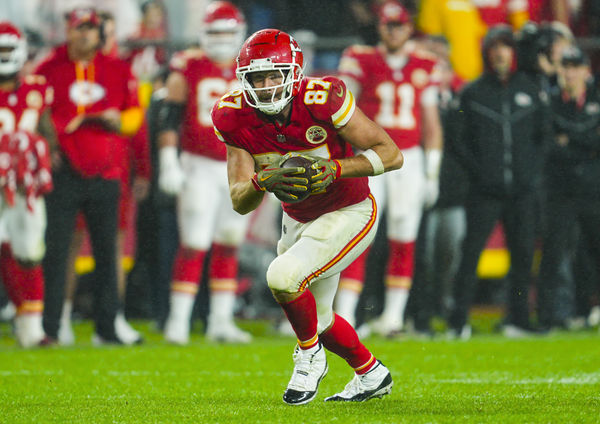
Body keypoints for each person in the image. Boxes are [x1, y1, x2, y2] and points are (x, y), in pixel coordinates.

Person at [212, 28, 403, 404]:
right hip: (297, 219)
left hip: (349, 209)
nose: (265, 86)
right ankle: (371, 374)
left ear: (294, 72)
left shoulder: (323, 98)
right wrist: (261, 180)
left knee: (282, 276)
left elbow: (391, 154)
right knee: (320, 318)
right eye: (257, 77)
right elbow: (239, 200)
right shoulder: (232, 116)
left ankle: (308, 354)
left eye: (273, 75)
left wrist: (336, 168)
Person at [35, 7, 144, 344]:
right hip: (63, 171)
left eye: (91, 28)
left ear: (100, 33)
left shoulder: (117, 68)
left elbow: (134, 116)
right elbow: (35, 108)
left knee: (107, 252)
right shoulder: (48, 68)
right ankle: (52, 326)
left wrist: (117, 120)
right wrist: (46, 145)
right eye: (79, 28)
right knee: (56, 250)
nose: (85, 34)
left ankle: (107, 327)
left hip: (106, 172)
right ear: (68, 30)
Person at [335, 0, 443, 334]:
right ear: (379, 27)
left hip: (409, 157)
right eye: (388, 25)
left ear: (409, 28)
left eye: (399, 25)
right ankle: (347, 315)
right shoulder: (360, 58)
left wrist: (432, 169)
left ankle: (393, 318)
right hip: (369, 156)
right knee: (359, 233)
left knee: (404, 234)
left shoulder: (425, 63)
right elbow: (341, 113)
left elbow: (431, 121)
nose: (393, 31)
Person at [446, 24, 550, 339]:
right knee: (471, 254)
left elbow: (543, 138)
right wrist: (481, 173)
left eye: (506, 46)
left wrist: (529, 173)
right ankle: (458, 321)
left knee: (521, 256)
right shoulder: (473, 91)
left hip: (522, 191)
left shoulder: (531, 90)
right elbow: (458, 140)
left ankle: (517, 320)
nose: (501, 52)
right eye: (495, 46)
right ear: (487, 52)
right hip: (484, 191)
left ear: (513, 52)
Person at [160, 1, 252, 345]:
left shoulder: (252, 68)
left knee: (229, 243)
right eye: (215, 32)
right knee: (194, 242)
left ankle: (220, 321)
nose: (221, 40)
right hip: (198, 163)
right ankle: (178, 321)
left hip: (239, 165)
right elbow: (169, 113)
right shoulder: (188, 64)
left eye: (227, 33)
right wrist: (169, 158)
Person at [537, 46, 600, 330]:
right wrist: (585, 137)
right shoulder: (549, 102)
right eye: (566, 66)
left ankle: (588, 309)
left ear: (586, 71)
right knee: (553, 252)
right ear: (558, 70)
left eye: (576, 66)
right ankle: (548, 317)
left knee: (593, 250)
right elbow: (548, 145)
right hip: (560, 190)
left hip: (592, 189)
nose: (570, 72)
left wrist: (568, 137)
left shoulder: (594, 99)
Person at [0, 21, 55, 347]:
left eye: (8, 50)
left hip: (25, 188)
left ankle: (31, 329)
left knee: (30, 252)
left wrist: (43, 161)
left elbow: (47, 131)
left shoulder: (36, 87)